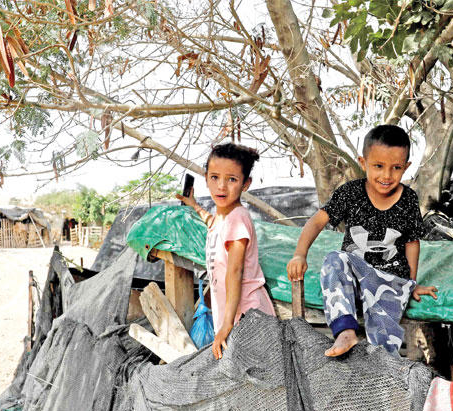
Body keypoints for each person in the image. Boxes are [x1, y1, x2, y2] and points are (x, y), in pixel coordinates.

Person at [286, 124, 438, 357]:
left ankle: (382, 371)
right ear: (363, 162)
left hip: (389, 279)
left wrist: (412, 282)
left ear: (406, 167)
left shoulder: (408, 199)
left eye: (396, 168)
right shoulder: (350, 193)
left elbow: (411, 242)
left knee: (384, 344)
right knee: (334, 260)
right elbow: (317, 221)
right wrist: (300, 253)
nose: (386, 175)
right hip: (354, 276)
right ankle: (345, 331)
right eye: (378, 166)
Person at [178, 143, 276, 359]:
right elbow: (212, 222)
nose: (221, 186)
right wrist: (194, 205)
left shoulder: (238, 218)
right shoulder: (222, 218)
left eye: (232, 179)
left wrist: (227, 324)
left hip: (248, 316)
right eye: (214, 177)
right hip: (235, 315)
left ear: (246, 184)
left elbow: (235, 272)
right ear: (205, 178)